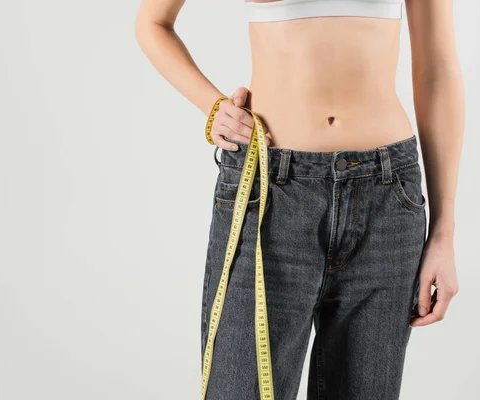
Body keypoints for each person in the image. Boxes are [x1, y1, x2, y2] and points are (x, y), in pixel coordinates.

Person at [135, 0, 463, 399]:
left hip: (387, 199)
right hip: (268, 193)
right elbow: (153, 23)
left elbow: (437, 69)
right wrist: (214, 106)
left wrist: (443, 233)